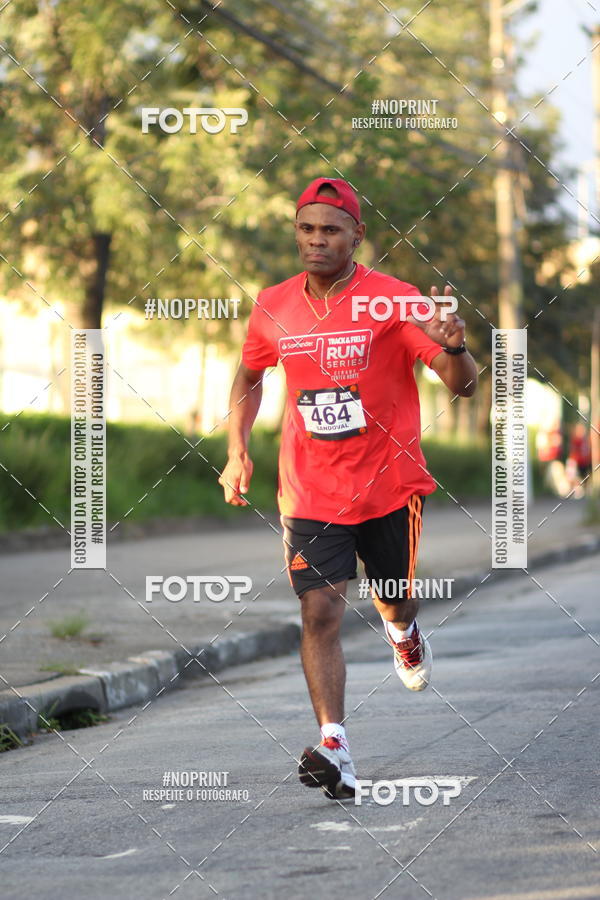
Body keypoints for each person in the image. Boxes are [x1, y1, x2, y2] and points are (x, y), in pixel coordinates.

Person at [219, 177, 478, 800]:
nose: (316, 241)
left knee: (394, 600)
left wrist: (458, 345)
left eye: (330, 230)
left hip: (389, 486)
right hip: (309, 491)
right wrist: (236, 452)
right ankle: (335, 743)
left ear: (357, 236)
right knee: (320, 610)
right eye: (306, 229)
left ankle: (404, 635)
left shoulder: (393, 300)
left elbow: (460, 384)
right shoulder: (274, 305)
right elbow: (249, 377)